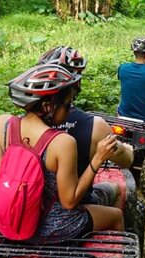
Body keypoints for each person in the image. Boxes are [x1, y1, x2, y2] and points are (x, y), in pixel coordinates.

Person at [0, 64, 124, 243]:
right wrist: (98, 158)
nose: (69, 110)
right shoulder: (62, 143)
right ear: (49, 106)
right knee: (116, 216)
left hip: (11, 222)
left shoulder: (1, 125)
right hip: (56, 228)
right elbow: (69, 201)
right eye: (67, 104)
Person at [37, 46, 134, 208]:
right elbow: (125, 161)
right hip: (77, 206)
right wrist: (127, 150)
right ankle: (115, 229)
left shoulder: (20, 124)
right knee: (117, 188)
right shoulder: (95, 126)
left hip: (34, 209)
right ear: (76, 82)